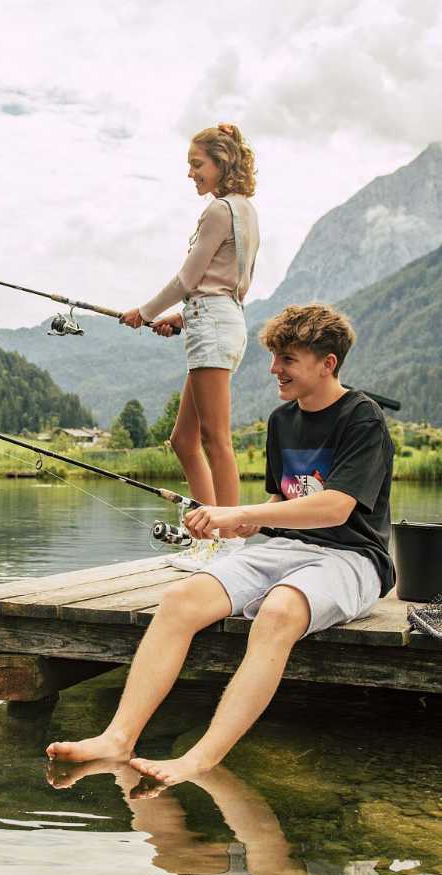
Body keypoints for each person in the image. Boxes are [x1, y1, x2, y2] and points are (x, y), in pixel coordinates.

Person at [47, 304, 394, 787]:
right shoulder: (282, 420)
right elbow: (285, 498)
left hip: (352, 557)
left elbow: (335, 507)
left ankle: (200, 758)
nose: (275, 369)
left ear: (327, 363)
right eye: (275, 358)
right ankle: (118, 738)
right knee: (180, 601)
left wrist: (243, 514)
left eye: (288, 359)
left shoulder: (363, 418)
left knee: (278, 611)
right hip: (285, 547)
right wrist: (237, 527)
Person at [119, 124, 260, 569]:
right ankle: (208, 537)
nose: (191, 174)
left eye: (197, 165)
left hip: (214, 325)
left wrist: (144, 311)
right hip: (218, 319)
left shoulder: (219, 210)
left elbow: (188, 278)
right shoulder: (245, 210)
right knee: (184, 440)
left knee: (216, 440)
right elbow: (226, 283)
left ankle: (227, 543)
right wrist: (181, 317)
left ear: (222, 164)